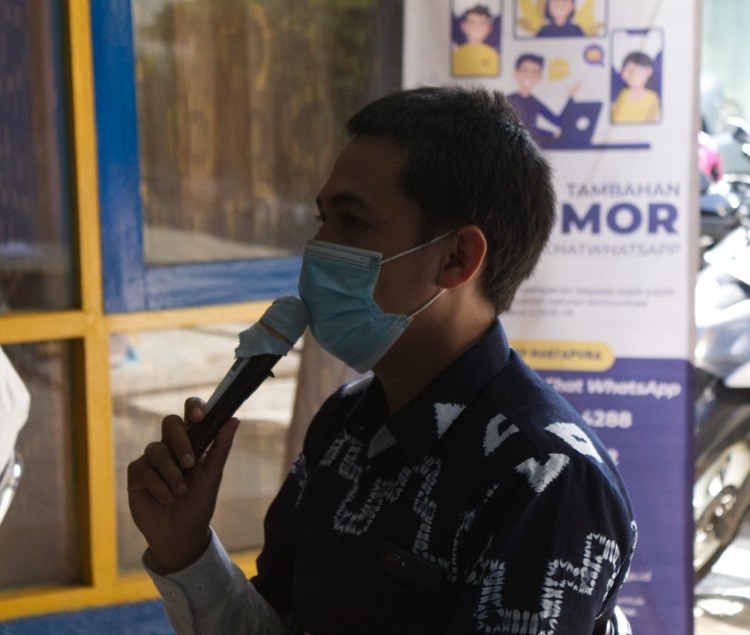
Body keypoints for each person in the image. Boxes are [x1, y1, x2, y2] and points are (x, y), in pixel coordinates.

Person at [127, 86, 637, 634]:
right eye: (322, 219)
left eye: (351, 223)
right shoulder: (342, 425)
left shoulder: (547, 479)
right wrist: (185, 548)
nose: (319, 248)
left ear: (457, 257)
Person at [507, 53, 580, 141]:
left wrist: (570, 97)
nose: (529, 76)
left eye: (534, 72)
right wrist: (551, 134)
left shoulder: (534, 102)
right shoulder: (508, 100)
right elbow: (523, 127)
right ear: (515, 73)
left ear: (539, 77)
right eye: (524, 71)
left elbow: (558, 121)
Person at [611, 51, 661, 124]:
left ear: (649, 72)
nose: (633, 74)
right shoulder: (619, 95)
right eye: (629, 70)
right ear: (622, 73)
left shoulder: (652, 97)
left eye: (639, 70)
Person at [451, 4, 499, 77]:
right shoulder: (457, 55)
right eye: (472, 22)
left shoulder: (493, 55)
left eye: (482, 23)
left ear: (489, 28)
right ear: (464, 26)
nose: (477, 27)